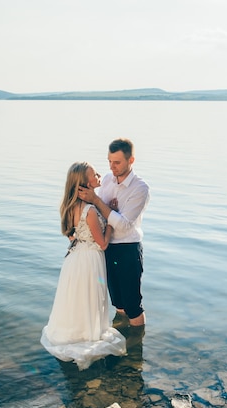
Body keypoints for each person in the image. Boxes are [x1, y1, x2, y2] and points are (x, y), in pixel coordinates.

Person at [40, 161, 126, 370]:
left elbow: (72, 235)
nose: (99, 175)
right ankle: (88, 335)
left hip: (74, 259)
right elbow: (103, 244)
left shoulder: (69, 206)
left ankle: (74, 331)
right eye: (94, 173)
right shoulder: (89, 210)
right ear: (84, 183)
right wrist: (111, 223)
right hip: (90, 260)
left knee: (76, 297)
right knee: (90, 295)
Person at [78, 138, 150, 327]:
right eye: (109, 161)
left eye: (117, 162)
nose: (112, 167)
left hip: (128, 249)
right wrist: (105, 208)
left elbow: (124, 225)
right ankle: (121, 339)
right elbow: (100, 212)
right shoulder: (108, 180)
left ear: (131, 160)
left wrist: (100, 203)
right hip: (107, 248)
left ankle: (135, 350)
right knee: (118, 303)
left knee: (133, 305)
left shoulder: (140, 188)